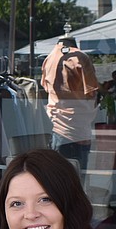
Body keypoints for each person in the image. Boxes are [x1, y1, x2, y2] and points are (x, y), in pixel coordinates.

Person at [41, 36, 100, 170]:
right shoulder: (80, 58)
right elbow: (91, 92)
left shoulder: (48, 59)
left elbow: (46, 88)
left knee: (59, 182)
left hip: (57, 128)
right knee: (77, 182)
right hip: (78, 131)